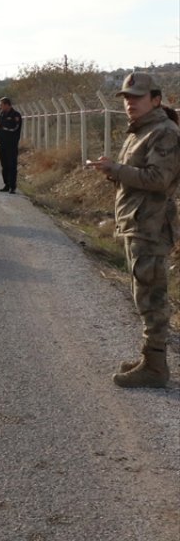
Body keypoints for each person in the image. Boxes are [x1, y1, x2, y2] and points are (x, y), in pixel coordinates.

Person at [88, 72, 180, 388]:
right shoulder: (140, 132)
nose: (130, 103)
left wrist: (117, 169)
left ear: (156, 99)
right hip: (137, 223)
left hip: (151, 227)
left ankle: (156, 368)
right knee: (143, 294)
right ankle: (150, 358)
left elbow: (158, 179)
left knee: (152, 297)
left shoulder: (164, 132)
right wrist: (113, 172)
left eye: (137, 97)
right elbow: (138, 175)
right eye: (126, 97)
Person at [0, 97, 23, 193]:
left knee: (12, 165)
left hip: (11, 145)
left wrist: (1, 126)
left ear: (7, 104)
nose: (0, 107)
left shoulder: (16, 115)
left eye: (1, 105)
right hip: (2, 144)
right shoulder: (2, 114)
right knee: (4, 165)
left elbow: (14, 128)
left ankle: (12, 186)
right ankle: (6, 184)